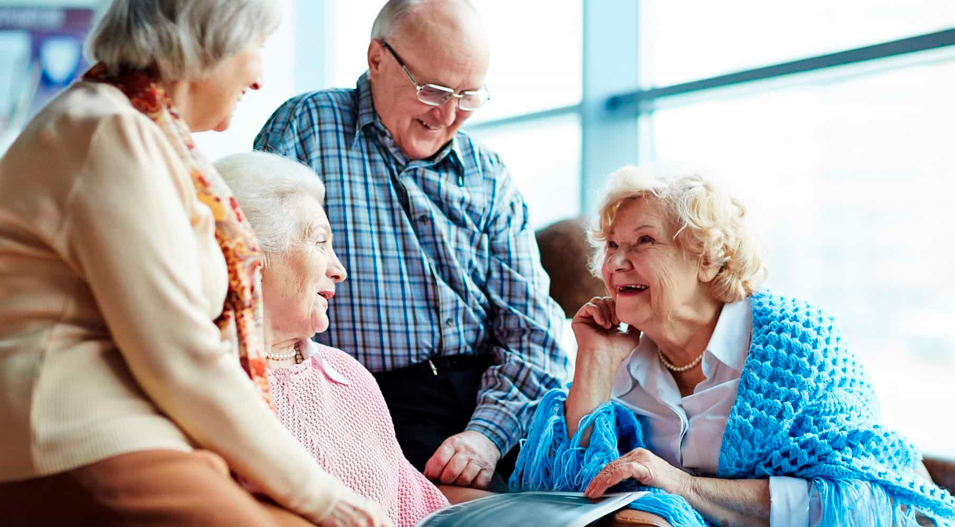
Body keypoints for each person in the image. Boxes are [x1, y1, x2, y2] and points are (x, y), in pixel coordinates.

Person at [0, 2, 388, 525]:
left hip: (133, 431)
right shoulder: (105, 130)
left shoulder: (146, 136)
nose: (259, 76)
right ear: (210, 43)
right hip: (72, 434)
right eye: (258, 47)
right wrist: (323, 495)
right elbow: (179, 354)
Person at [511, 166, 955, 527]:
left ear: (707, 258)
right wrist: (593, 359)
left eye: (643, 241)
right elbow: (564, 495)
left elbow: (859, 499)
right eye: (611, 245)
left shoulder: (797, 339)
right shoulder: (619, 354)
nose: (616, 261)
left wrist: (684, 487)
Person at [254, 0, 570, 490]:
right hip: (353, 400)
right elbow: (260, 286)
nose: (447, 115)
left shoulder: (489, 173)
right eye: (434, 90)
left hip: (485, 407)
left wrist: (485, 437)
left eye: (467, 96)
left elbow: (535, 337)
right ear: (377, 59)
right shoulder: (308, 127)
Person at [215, 151, 493, 526]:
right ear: (252, 252)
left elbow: (416, 507)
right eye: (319, 242)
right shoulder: (208, 386)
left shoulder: (348, 376)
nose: (339, 269)